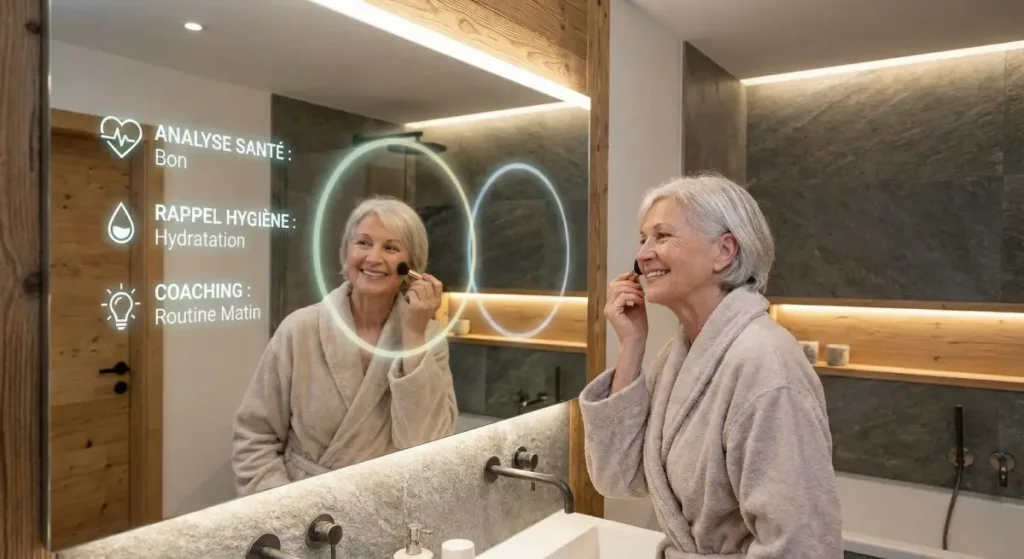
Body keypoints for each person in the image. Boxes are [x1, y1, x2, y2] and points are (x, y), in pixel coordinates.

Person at [580, 173, 842, 558]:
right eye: (643, 239)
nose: (642, 255)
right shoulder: (678, 356)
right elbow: (618, 477)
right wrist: (631, 345)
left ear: (724, 251)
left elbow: (802, 545)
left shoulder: (765, 365)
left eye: (662, 236)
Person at [232, 195, 457, 496]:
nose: (373, 258)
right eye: (363, 243)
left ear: (412, 267)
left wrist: (414, 335)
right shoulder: (300, 330)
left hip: (386, 513)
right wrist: (283, 510)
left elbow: (426, 444)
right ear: (345, 252)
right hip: (304, 513)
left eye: (390, 247)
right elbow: (254, 436)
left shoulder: (429, 339)